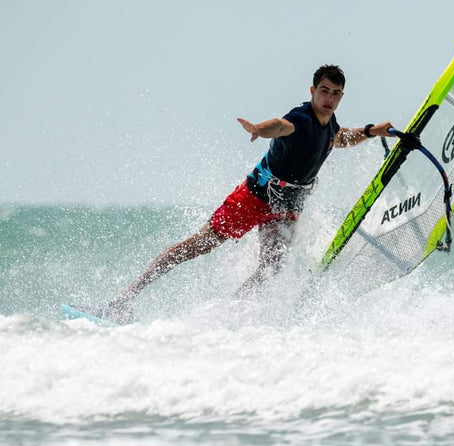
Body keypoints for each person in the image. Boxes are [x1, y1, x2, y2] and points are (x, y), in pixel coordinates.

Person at [104, 65, 394, 322]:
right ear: (312, 91)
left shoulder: (330, 123)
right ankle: (123, 299)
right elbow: (280, 126)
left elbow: (340, 138)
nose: (329, 98)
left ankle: (225, 317)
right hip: (256, 196)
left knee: (271, 267)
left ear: (341, 96)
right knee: (199, 245)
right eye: (324, 91)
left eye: (336, 93)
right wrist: (259, 128)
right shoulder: (301, 118)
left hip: (288, 206)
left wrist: (371, 130)